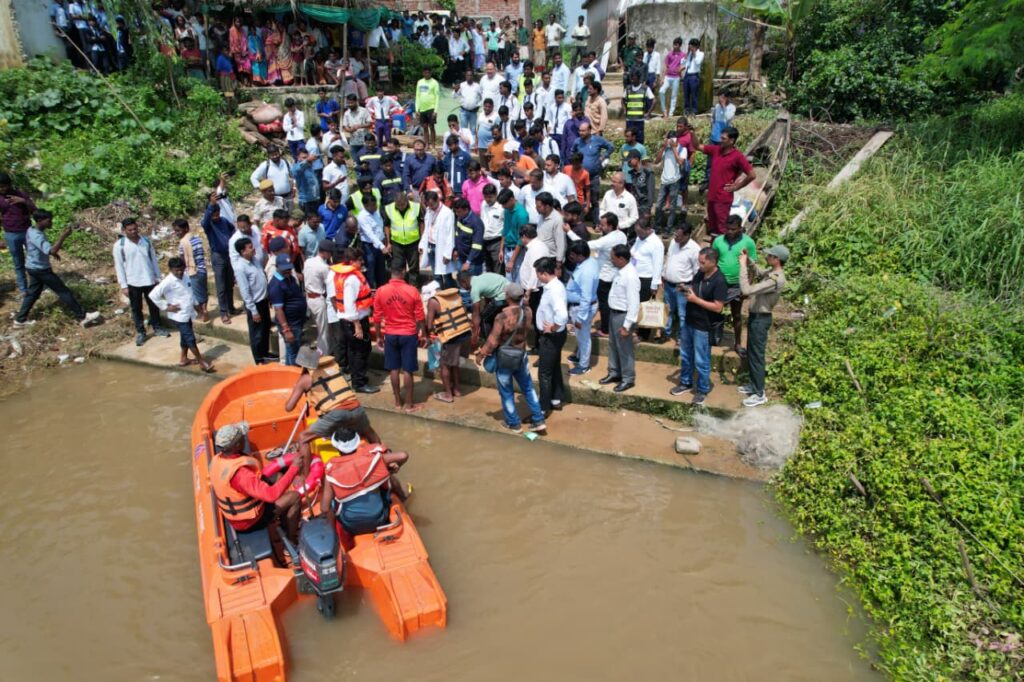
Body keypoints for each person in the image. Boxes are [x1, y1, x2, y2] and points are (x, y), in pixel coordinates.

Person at [211, 422, 304, 545]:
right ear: (237, 444)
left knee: (279, 476)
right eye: (242, 437)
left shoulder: (218, 460)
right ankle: (292, 540)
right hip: (249, 522)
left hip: (238, 507)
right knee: (294, 497)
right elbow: (272, 495)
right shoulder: (241, 475)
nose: (245, 438)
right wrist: (294, 468)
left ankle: (282, 519)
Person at [284, 347, 380, 466]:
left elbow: (289, 407)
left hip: (335, 414)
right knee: (370, 433)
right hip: (357, 409)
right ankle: (384, 460)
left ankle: (304, 478)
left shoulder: (305, 379)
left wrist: (298, 387)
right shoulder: (334, 368)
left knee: (303, 438)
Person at [474, 282, 546, 434]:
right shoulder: (528, 311)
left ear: (507, 296)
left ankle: (514, 423)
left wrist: (481, 354)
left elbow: (493, 340)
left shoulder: (502, 316)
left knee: (506, 391)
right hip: (521, 355)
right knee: (528, 387)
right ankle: (538, 419)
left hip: (505, 357)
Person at [13, 210, 99, 329]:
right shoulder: (37, 235)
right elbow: (51, 250)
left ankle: (20, 319)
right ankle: (82, 316)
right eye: (48, 220)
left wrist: (52, 253)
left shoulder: (31, 230)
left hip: (32, 266)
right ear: (39, 221)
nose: (51, 222)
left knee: (32, 293)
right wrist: (63, 236)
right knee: (63, 291)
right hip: (40, 269)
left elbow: (41, 249)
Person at [321, 428, 409, 537]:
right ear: (357, 442)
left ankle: (333, 535)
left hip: (350, 525)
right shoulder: (373, 458)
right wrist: (394, 469)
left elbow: (324, 509)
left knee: (331, 501)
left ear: (335, 447)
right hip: (379, 519)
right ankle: (403, 496)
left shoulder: (331, 471)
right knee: (387, 477)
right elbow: (403, 455)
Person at [671, 247, 727, 405]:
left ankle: (702, 389)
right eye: (699, 261)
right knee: (686, 355)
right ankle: (686, 382)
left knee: (702, 359)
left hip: (704, 326)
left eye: (702, 262)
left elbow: (718, 307)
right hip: (690, 321)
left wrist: (696, 300)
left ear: (713, 262)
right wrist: (685, 290)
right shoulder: (699, 274)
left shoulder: (719, 280)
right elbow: (694, 291)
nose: (699, 264)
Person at [373, 261, 426, 411]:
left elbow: (377, 317)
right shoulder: (412, 290)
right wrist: (424, 334)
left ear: (391, 272)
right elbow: (420, 316)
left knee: (393, 369)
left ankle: (397, 402)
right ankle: (409, 405)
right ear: (403, 272)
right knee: (408, 370)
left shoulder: (381, 291)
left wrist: (378, 336)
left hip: (390, 334)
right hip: (408, 334)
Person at [148, 256, 213, 372]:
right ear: (170, 270)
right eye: (176, 270)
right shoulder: (168, 281)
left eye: (181, 269)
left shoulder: (186, 276)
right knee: (190, 338)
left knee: (185, 337)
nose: (179, 272)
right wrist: (166, 307)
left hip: (187, 312)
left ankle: (183, 359)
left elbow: (190, 294)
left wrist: (199, 309)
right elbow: (153, 295)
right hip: (178, 316)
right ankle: (201, 362)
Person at [113, 217, 169, 346]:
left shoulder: (146, 242)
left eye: (135, 229)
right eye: (130, 230)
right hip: (133, 282)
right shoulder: (120, 246)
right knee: (136, 308)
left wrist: (158, 277)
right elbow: (119, 266)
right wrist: (123, 285)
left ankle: (157, 327)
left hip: (149, 279)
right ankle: (141, 332)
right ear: (124, 231)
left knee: (153, 305)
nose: (133, 231)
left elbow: (153, 260)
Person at [330, 248, 378, 393]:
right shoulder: (351, 279)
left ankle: (357, 377)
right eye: (359, 260)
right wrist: (357, 325)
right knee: (360, 351)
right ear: (351, 261)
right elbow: (350, 304)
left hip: (348, 319)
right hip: (354, 320)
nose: (362, 262)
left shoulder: (342, 275)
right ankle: (359, 383)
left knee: (354, 350)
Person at [713, 214, 758, 354]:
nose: (730, 232)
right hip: (720, 283)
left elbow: (752, 267)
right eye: (728, 229)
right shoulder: (718, 241)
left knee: (736, 315)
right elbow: (712, 260)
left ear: (740, 228)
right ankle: (714, 337)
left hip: (737, 285)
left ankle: (738, 343)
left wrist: (747, 288)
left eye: (733, 229)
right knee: (715, 311)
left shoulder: (748, 242)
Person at [701, 126, 754, 239]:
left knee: (722, 227)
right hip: (712, 196)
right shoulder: (716, 150)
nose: (721, 140)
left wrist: (737, 187)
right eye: (721, 138)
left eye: (724, 139)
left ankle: (722, 251)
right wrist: (691, 133)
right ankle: (714, 250)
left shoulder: (738, 156)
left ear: (731, 141)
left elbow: (752, 175)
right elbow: (697, 146)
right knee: (713, 226)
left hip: (723, 198)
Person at [600, 244, 640, 393]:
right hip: (614, 313)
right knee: (613, 345)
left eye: (613, 258)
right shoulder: (620, 271)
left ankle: (628, 378)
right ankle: (614, 372)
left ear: (622, 259)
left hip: (623, 316)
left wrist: (627, 325)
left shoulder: (630, 276)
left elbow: (634, 303)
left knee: (624, 348)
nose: (611, 260)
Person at [424, 281, 471, 403]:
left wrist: (428, 334)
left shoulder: (433, 301)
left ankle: (448, 394)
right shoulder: (455, 294)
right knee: (454, 364)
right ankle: (457, 390)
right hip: (465, 333)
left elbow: (429, 326)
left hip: (452, 336)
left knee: (444, 365)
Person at [533, 256, 568, 413]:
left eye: (537, 273)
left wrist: (552, 328)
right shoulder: (554, 286)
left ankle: (543, 408)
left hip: (551, 337)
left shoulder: (554, 290)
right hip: (555, 336)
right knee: (553, 367)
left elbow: (562, 315)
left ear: (543, 273)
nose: (537, 276)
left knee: (544, 373)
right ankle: (556, 398)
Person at [660, 223, 700, 345]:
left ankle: (681, 338)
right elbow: (669, 259)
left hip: (683, 285)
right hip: (668, 284)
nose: (676, 238)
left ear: (688, 235)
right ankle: (665, 334)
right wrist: (663, 275)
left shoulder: (694, 249)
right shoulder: (673, 243)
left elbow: (697, 270)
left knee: (683, 314)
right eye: (675, 235)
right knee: (667, 310)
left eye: (679, 236)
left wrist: (690, 287)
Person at [200, 194, 238, 323]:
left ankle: (231, 307)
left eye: (217, 212)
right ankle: (223, 312)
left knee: (230, 283)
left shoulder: (224, 221)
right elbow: (205, 219)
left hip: (229, 255)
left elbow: (233, 229)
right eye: (213, 212)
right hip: (218, 257)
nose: (216, 214)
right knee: (221, 286)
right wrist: (211, 204)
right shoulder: (208, 224)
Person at [234, 237, 272, 364]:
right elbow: (245, 291)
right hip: (255, 304)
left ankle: (265, 353)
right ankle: (259, 359)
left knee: (265, 328)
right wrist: (253, 310)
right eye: (250, 247)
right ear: (243, 251)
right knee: (257, 333)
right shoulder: (241, 267)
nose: (253, 249)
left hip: (263, 300)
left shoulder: (254, 260)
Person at [0, 171, 38, 295]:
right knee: (18, 262)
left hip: (27, 232)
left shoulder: (20, 194)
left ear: (9, 184)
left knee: (34, 259)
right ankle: (23, 289)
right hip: (11, 234)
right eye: (0, 187)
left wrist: (23, 201)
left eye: (4, 186)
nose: (2, 189)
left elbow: (35, 210)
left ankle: (35, 285)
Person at [565, 240, 599, 375]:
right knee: (581, 336)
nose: (571, 257)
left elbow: (586, 297)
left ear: (580, 255)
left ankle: (584, 366)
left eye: (573, 254)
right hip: (581, 306)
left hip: (582, 308)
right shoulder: (588, 262)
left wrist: (580, 317)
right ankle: (579, 356)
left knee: (584, 337)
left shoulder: (587, 271)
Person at [569, 122, 614, 223]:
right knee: (580, 200)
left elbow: (611, 147)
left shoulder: (597, 140)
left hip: (593, 176)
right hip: (580, 177)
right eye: (580, 130)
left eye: (583, 131)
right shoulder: (577, 141)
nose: (581, 133)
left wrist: (603, 156)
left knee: (594, 200)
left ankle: (596, 223)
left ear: (589, 130)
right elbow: (572, 153)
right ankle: (580, 222)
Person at [267, 254, 307, 366]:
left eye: (289, 269)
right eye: (285, 269)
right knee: (294, 353)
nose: (288, 271)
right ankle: (295, 378)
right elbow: (278, 310)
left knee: (292, 352)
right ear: (277, 267)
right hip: (290, 324)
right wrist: (286, 330)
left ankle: (290, 374)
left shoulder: (290, 278)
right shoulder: (276, 285)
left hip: (297, 322)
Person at [590, 213, 626, 335]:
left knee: (604, 304)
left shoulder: (607, 239)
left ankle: (605, 329)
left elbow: (587, 245)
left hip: (604, 277)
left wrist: (569, 232)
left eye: (603, 225)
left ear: (610, 226)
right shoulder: (621, 235)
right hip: (614, 274)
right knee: (609, 303)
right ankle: (609, 326)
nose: (600, 226)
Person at [419, 190, 458, 288]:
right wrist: (422, 243)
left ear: (437, 200)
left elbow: (450, 235)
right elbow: (427, 229)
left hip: (441, 248)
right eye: (428, 204)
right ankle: (440, 296)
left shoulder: (447, 213)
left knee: (446, 275)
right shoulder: (429, 210)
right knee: (436, 275)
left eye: (432, 204)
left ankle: (451, 296)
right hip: (431, 246)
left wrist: (447, 254)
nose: (430, 206)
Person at [173, 218, 209, 323]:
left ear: (186, 229)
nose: (176, 233)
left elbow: (182, 260)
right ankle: (205, 309)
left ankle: (202, 312)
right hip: (202, 269)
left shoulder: (183, 243)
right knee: (203, 291)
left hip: (192, 271)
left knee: (195, 294)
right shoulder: (197, 239)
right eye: (175, 231)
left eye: (178, 231)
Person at [654, 128, 688, 232]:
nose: (671, 141)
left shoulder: (683, 149)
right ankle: (658, 226)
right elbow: (657, 160)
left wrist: (674, 148)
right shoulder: (666, 149)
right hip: (664, 180)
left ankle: (669, 228)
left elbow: (680, 162)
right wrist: (664, 148)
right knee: (659, 205)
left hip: (674, 180)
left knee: (673, 207)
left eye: (672, 139)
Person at [304, 239, 335, 356]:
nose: (331, 254)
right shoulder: (324, 267)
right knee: (323, 331)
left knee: (320, 329)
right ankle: (324, 356)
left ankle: (323, 352)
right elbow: (329, 284)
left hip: (308, 298)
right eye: (330, 252)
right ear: (325, 252)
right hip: (318, 299)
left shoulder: (308, 261)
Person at [383, 192, 422, 282]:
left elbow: (421, 223)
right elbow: (387, 226)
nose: (400, 206)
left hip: (413, 242)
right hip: (397, 243)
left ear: (407, 201)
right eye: (398, 205)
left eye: (403, 204)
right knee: (398, 267)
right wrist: (388, 243)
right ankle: (401, 287)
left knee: (414, 267)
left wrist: (422, 239)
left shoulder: (416, 207)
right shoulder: (389, 209)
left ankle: (414, 287)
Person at [703, 91, 738, 191]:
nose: (720, 99)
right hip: (714, 137)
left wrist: (723, 106)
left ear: (727, 98)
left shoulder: (732, 108)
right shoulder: (717, 107)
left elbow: (728, 118)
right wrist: (713, 128)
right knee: (710, 161)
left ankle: (721, 180)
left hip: (724, 139)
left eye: (722, 97)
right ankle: (707, 181)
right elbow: (713, 118)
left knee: (722, 161)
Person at [355, 194, 389, 288]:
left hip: (380, 244)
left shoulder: (376, 212)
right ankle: (371, 292)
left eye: (375, 204)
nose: (375, 207)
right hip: (369, 247)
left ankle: (382, 290)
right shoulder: (362, 217)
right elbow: (370, 234)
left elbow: (380, 228)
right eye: (372, 205)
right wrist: (382, 247)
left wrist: (385, 242)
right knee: (370, 270)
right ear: (366, 206)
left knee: (381, 270)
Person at [250, 146, 293, 211]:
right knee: (278, 218)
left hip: (288, 196)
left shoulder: (286, 162)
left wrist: (294, 187)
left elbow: (294, 175)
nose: (275, 156)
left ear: (279, 153)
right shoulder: (266, 165)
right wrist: (262, 188)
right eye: (272, 155)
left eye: (276, 154)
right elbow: (253, 177)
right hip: (274, 198)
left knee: (289, 215)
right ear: (268, 156)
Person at [452, 198, 485, 275]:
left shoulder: (477, 223)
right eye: (456, 212)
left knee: (471, 286)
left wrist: (468, 262)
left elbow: (477, 246)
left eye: (459, 212)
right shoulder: (460, 218)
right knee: (461, 284)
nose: (457, 214)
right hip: (461, 259)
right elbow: (457, 235)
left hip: (472, 263)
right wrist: (456, 249)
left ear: (466, 209)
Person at [622, 71, 654, 143]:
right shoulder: (628, 89)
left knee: (639, 139)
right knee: (629, 139)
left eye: (635, 79)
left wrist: (648, 113)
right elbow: (623, 99)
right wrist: (624, 110)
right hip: (629, 119)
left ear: (639, 79)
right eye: (632, 79)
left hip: (639, 120)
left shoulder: (645, 88)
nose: (633, 81)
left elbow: (654, 100)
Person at [414, 66, 440, 150]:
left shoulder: (434, 83)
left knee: (431, 127)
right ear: (423, 73)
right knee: (424, 127)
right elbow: (417, 96)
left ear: (430, 73)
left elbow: (437, 97)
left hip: (431, 107)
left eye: (428, 72)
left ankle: (433, 145)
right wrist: (417, 109)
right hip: (422, 108)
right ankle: (426, 144)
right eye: (425, 72)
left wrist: (435, 110)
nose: (426, 74)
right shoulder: (420, 82)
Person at [625, 151, 655, 219]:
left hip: (644, 206)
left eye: (630, 160)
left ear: (637, 159)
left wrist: (648, 210)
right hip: (635, 205)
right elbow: (633, 190)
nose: (628, 163)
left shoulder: (648, 173)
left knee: (639, 228)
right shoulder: (633, 173)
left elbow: (651, 192)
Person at [291, 148, 320, 216]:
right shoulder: (296, 167)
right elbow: (297, 170)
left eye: (307, 157)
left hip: (315, 200)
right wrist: (307, 160)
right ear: (298, 158)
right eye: (304, 158)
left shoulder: (310, 167)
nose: (306, 159)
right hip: (306, 202)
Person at [660, 37, 685, 118]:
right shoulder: (669, 54)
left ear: (680, 45)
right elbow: (665, 66)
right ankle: (664, 111)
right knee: (661, 91)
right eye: (674, 44)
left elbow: (685, 64)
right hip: (668, 76)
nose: (674, 46)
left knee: (674, 96)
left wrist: (681, 69)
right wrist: (662, 78)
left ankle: (671, 114)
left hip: (676, 77)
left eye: (676, 45)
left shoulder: (683, 55)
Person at [682, 38, 704, 116]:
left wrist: (694, 52)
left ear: (696, 46)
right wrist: (688, 53)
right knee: (686, 94)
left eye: (692, 46)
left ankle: (694, 110)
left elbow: (697, 62)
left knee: (694, 94)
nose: (690, 48)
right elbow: (682, 62)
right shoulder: (689, 54)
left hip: (694, 76)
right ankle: (686, 109)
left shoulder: (700, 54)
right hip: (687, 75)